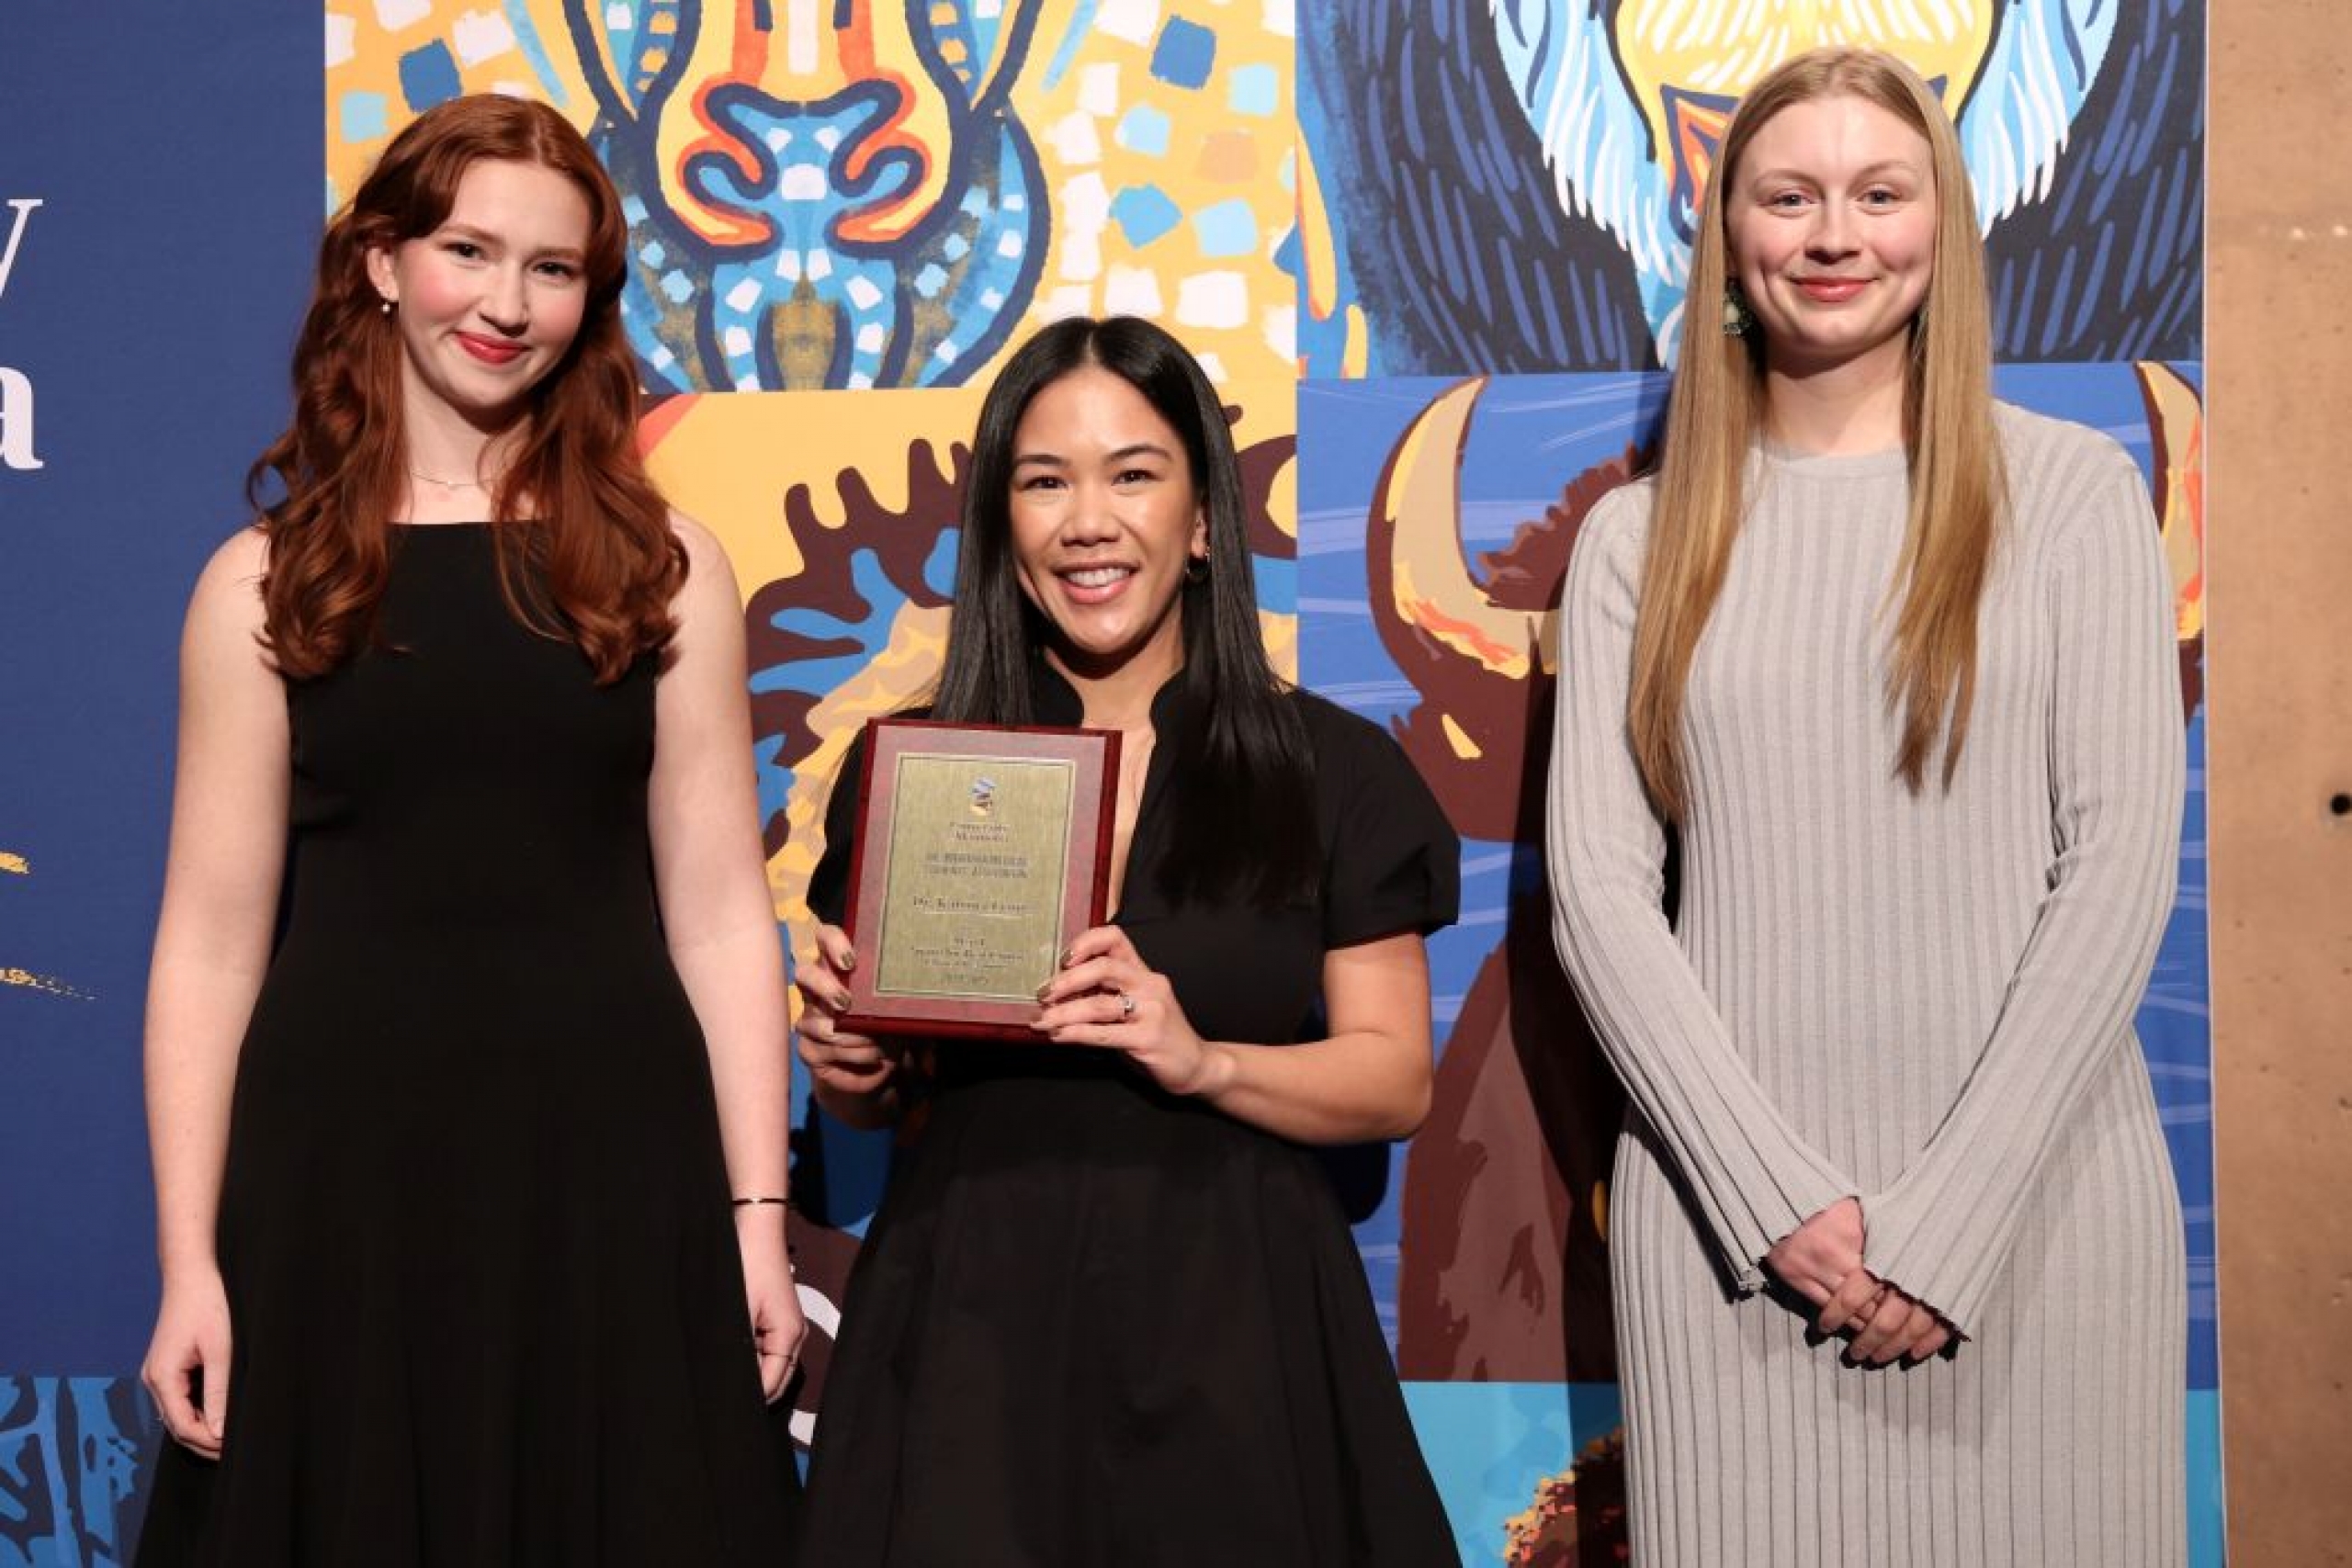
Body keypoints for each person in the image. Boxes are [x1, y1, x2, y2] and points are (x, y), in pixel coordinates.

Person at [133, 95, 802, 1566]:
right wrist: (191, 1261)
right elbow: (209, 942)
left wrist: (755, 1216)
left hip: (611, 1175)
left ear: (592, 300)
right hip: (339, 1195)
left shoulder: (667, 567)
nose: (507, 306)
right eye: (468, 250)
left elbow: (716, 913)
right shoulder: (261, 586)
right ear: (382, 261)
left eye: (553, 270)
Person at [1545, 46, 2188, 1567]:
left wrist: (1952, 1223)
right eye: (1791, 195)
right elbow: (1599, 900)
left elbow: (2115, 872)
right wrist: (1773, 1206)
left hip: (2044, 1232)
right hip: (1731, 1252)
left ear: (1941, 228)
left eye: (1880, 193)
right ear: (1730, 235)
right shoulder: (1636, 544)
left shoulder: (2078, 498)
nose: (1836, 234)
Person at [793, 314, 1464, 1566]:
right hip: (971, 1322)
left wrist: (1201, 1056)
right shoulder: (916, 767)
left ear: (1204, 519)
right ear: (1002, 527)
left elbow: (1394, 1078)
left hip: (1237, 1322)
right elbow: (887, 1101)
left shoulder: (1330, 768)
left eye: (1133, 474)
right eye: (1044, 482)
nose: (1087, 520)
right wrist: (853, 1065)